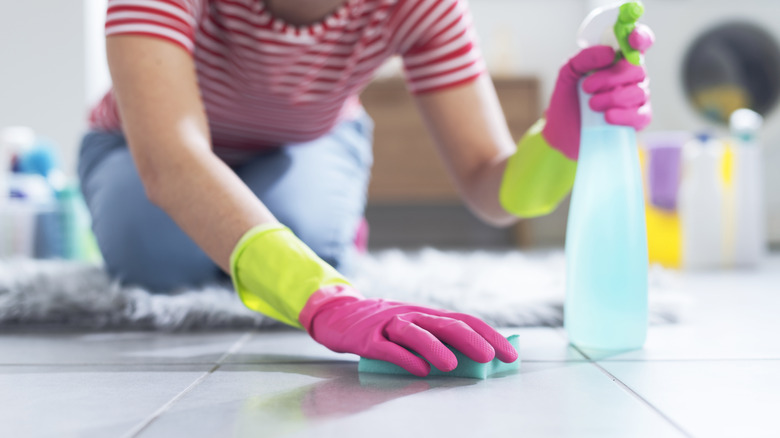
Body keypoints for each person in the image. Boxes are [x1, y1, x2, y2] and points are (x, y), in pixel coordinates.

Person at [79, 0, 653, 376]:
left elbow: (487, 181)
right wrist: (323, 297)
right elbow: (169, 156)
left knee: (306, 242)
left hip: (305, 143)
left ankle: (315, 229)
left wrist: (561, 135)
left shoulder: (422, 7)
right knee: (155, 255)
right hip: (140, 143)